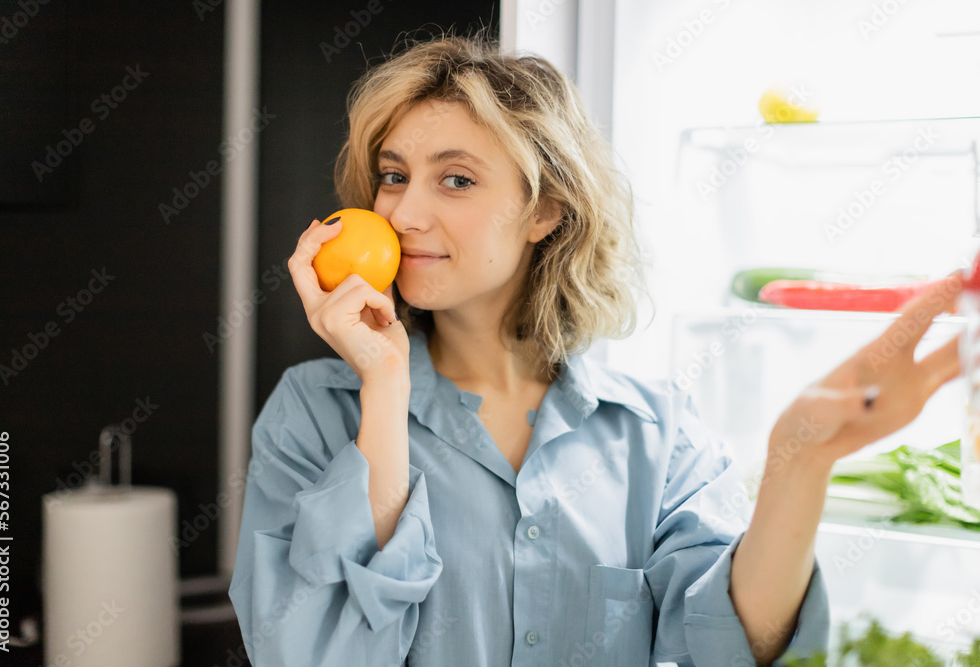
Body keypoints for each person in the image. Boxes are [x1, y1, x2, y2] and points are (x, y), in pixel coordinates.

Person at [228, 29, 967, 667]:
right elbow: (311, 653)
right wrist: (383, 390)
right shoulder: (313, 413)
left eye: (455, 179)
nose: (403, 212)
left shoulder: (655, 431)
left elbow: (734, 640)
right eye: (394, 176)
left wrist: (798, 456)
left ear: (545, 209)